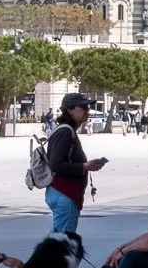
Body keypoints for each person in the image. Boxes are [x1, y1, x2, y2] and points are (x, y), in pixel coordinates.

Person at [44, 94, 106, 238]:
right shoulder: (65, 132)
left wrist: (86, 166)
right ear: (70, 110)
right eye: (83, 107)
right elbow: (56, 165)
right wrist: (84, 166)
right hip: (64, 193)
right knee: (62, 244)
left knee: (57, 240)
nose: (87, 110)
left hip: (62, 193)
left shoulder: (66, 130)